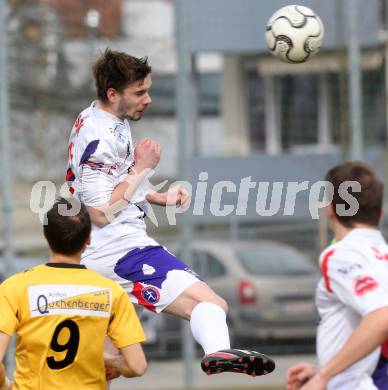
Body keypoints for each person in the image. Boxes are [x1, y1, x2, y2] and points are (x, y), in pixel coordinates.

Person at [66, 48, 275, 377]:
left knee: (111, 364)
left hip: (102, 249)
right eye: (139, 92)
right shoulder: (99, 137)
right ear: (112, 93)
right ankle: (218, 353)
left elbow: (114, 181)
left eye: (147, 89)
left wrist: (157, 196)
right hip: (119, 248)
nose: (148, 99)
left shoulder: (101, 118)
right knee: (211, 305)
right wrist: (143, 167)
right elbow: (100, 212)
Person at [0, 198, 147, 389]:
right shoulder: (113, 293)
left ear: (46, 235)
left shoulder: (15, 287)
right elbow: (137, 366)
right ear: (89, 238)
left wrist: (4, 384)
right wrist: (115, 363)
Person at [286, 161, 388, 390]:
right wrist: (323, 371)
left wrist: (325, 376)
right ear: (380, 213)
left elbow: (381, 317)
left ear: (330, 208)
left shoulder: (340, 255)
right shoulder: (382, 256)